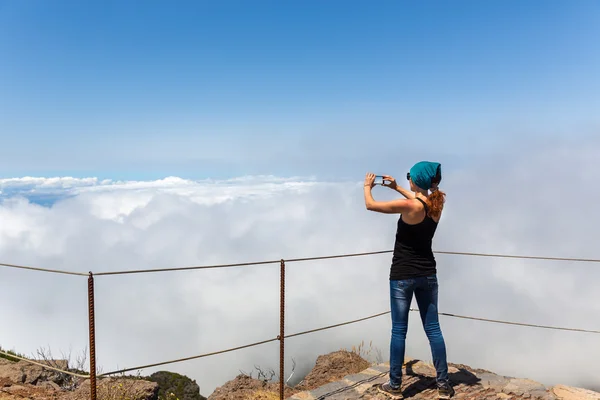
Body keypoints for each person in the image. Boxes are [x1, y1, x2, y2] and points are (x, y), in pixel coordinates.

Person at [363, 161, 454, 399]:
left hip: (402, 276)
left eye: (409, 177)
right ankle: (443, 384)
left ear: (416, 180)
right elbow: (418, 200)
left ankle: (395, 385)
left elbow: (370, 205)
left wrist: (367, 186)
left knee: (399, 331)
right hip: (428, 275)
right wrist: (396, 188)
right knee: (433, 330)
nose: (408, 181)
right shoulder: (437, 203)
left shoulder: (409, 206)